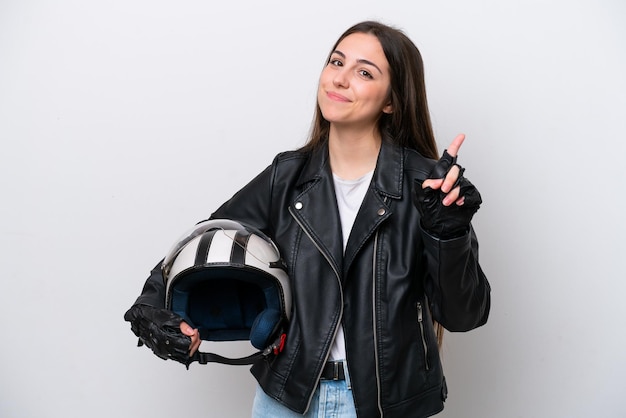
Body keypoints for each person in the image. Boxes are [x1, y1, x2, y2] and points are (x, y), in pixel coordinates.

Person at [124, 20, 490, 418]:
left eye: (364, 72)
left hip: (387, 406)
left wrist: (447, 234)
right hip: (284, 401)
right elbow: (205, 242)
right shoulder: (286, 177)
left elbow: (463, 315)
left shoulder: (428, 187)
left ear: (391, 101)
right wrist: (151, 307)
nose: (341, 79)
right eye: (337, 62)